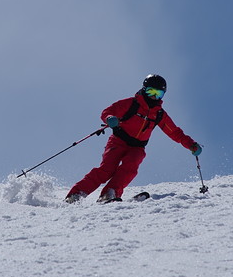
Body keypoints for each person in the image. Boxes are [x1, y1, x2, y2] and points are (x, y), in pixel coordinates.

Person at [65, 74, 202, 203]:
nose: (154, 97)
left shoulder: (159, 114)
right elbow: (108, 111)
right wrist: (110, 118)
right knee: (107, 169)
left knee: (131, 166)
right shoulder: (131, 104)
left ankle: (110, 193)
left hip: (137, 147)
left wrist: (190, 144)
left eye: (158, 94)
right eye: (151, 92)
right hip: (118, 141)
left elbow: (175, 132)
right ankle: (76, 194)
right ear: (144, 89)